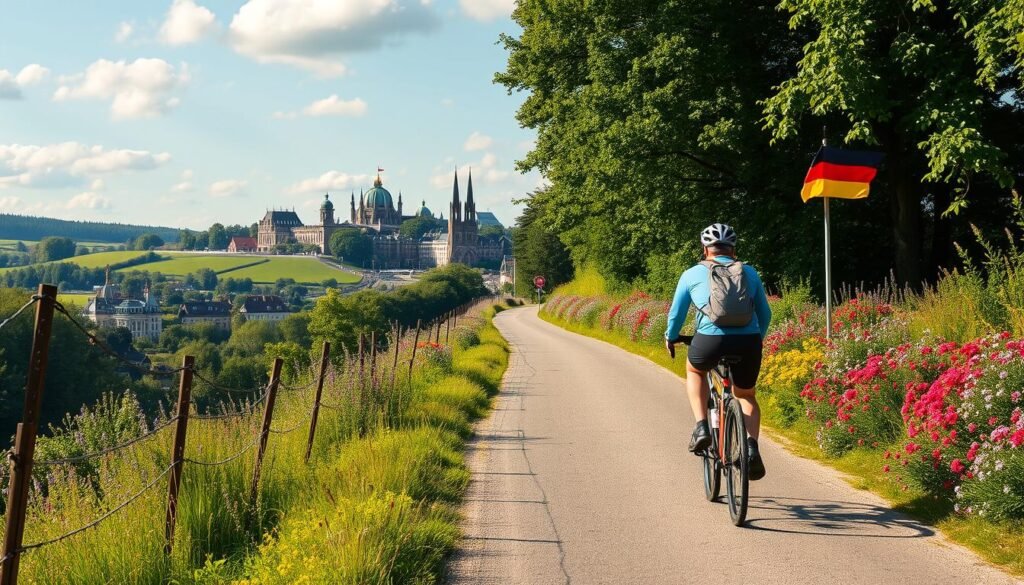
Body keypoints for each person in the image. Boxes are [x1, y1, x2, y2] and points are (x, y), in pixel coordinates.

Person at [664, 223, 772, 480]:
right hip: (749, 342)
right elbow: (765, 314)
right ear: (733, 249)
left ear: (705, 249)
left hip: (710, 341)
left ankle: (702, 427)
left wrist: (671, 337)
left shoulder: (691, 274)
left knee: (695, 370)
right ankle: (751, 447)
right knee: (745, 394)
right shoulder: (749, 272)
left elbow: (677, 314)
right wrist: (757, 340)